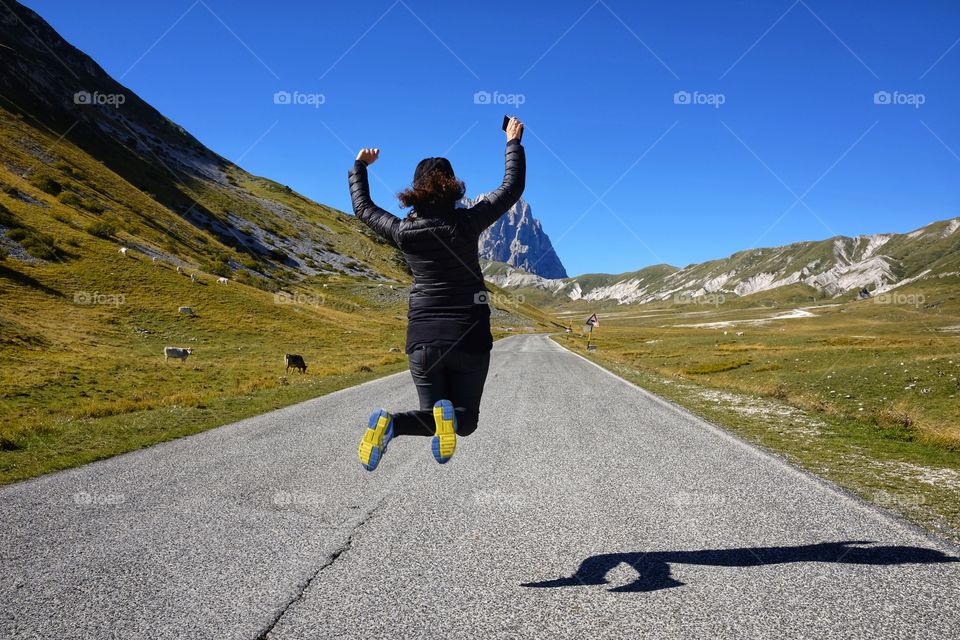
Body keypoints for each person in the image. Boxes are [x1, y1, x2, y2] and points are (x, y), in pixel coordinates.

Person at [348, 117, 525, 470]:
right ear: (453, 187)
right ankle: (411, 423)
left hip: (423, 340)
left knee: (432, 414)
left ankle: (392, 425)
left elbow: (363, 209)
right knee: (467, 421)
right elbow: (511, 188)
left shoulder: (402, 232)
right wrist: (512, 142)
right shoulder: (467, 223)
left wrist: (359, 166)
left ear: (415, 191)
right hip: (469, 336)